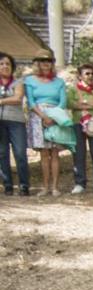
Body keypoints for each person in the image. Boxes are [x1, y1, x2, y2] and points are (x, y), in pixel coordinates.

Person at [23, 51, 68, 196]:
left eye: (48, 61)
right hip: (38, 116)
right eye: (42, 61)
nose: (46, 64)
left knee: (54, 153)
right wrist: (43, 116)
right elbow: (31, 101)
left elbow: (63, 101)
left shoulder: (59, 81)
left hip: (55, 114)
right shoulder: (30, 80)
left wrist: (54, 116)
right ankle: (45, 186)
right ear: (37, 64)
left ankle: (55, 187)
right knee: (44, 153)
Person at [67, 63, 93, 195]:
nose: (90, 76)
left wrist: (81, 104)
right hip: (77, 123)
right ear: (80, 76)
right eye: (86, 74)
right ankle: (79, 183)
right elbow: (69, 103)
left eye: (91, 73)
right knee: (79, 154)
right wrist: (90, 103)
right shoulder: (73, 89)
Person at [0, 51, 30, 196]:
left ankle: (24, 185)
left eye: (8, 64)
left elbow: (18, 98)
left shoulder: (18, 82)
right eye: (1, 64)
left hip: (16, 122)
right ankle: (7, 185)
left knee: (20, 153)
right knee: (2, 154)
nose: (5, 66)